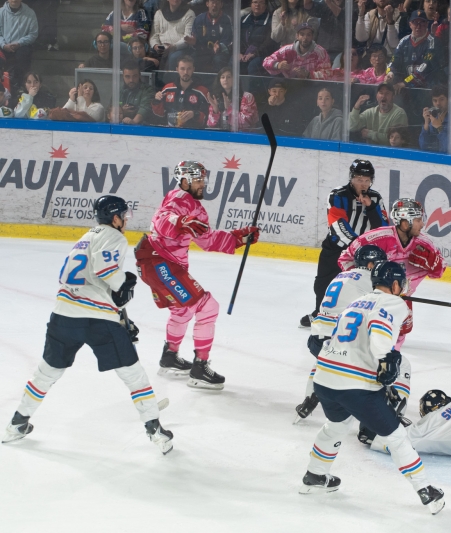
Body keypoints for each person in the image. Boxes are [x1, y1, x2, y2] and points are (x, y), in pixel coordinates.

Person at [2, 196, 174, 455]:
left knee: (46, 373)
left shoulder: (84, 238)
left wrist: (118, 304)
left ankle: (17, 423)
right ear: (114, 217)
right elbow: (106, 272)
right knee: (133, 375)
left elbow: (72, 276)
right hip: (98, 320)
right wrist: (124, 284)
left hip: (63, 316)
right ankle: (156, 431)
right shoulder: (114, 237)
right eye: (123, 215)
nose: (126, 220)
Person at [300, 261, 445, 515]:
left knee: (336, 426)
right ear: (396, 284)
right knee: (396, 437)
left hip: (323, 379)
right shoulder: (394, 303)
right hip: (354, 385)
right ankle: (426, 492)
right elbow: (380, 329)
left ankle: (315, 475)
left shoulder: (357, 301)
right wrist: (386, 357)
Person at [134, 161, 260, 390]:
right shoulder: (178, 198)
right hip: (160, 263)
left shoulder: (197, 209)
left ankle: (170, 356)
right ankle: (200, 367)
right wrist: (181, 223)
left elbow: (208, 240)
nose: (203, 185)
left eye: (203, 180)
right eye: (198, 180)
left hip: (159, 265)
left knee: (182, 310)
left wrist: (240, 238)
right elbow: (162, 220)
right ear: (184, 180)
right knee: (207, 307)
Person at [295, 245, 396, 421]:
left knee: (324, 359)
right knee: (377, 365)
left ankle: (309, 399)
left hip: (316, 339)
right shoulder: (370, 280)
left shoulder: (342, 275)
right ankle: (379, 412)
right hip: (340, 341)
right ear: (371, 264)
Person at [338, 198, 446, 349]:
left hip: (401, 300)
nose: (422, 224)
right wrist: (363, 285)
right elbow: (345, 259)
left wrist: (433, 264)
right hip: (371, 300)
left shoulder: (424, 244)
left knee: (396, 341)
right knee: (364, 340)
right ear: (404, 222)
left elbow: (439, 272)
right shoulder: (376, 238)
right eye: (418, 220)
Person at [299, 159, 390, 327]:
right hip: (336, 248)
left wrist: (370, 207)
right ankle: (320, 314)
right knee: (323, 283)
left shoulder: (376, 198)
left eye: (367, 180)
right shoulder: (338, 195)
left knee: (360, 287)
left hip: (364, 254)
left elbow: (383, 228)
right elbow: (337, 225)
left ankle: (357, 320)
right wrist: (358, 246)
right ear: (351, 178)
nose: (363, 184)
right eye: (359, 179)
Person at [385, 10, 441, 91]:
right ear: (410, 24)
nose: (418, 26)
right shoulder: (403, 41)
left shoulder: (433, 42)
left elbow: (425, 67)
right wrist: (390, 73)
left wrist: (405, 82)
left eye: (422, 22)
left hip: (427, 90)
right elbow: (393, 61)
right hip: (406, 90)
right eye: (415, 22)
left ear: (426, 24)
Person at [151, 55, 209, 129]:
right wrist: (156, 101)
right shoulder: (168, 88)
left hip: (194, 134)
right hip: (170, 132)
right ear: (177, 69)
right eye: (182, 68)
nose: (186, 72)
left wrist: (194, 114)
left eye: (189, 69)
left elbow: (208, 119)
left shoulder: (202, 91)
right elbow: (159, 115)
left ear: (193, 69)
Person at [263, 22, 331, 79]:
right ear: (297, 36)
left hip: (313, 86)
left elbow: (328, 74)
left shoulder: (320, 52)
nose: (305, 38)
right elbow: (266, 61)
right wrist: (277, 65)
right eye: (302, 34)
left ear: (312, 37)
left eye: (308, 35)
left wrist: (309, 74)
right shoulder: (287, 50)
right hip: (289, 85)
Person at [418, 84, 451, 155]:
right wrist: (426, 124)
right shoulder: (433, 120)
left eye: (441, 99)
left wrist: (440, 128)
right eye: (435, 100)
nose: (438, 103)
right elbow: (424, 146)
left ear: (449, 100)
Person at [0, 0, 38, 92]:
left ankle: (21, 87)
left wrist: (19, 43)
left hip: (21, 47)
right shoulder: (1, 12)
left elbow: (33, 34)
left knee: (23, 54)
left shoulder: (30, 13)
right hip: (3, 46)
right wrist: (3, 45)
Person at [150, 0, 196, 71]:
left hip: (180, 48)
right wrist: (156, 46)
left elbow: (187, 38)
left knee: (173, 57)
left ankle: (171, 80)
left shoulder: (190, 14)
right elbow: (154, 36)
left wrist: (173, 47)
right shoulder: (159, 13)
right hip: (161, 47)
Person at [188, 0, 232, 73]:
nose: (214, 5)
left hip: (219, 52)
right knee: (192, 59)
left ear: (221, 4)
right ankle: (196, 83)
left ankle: (218, 83)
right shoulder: (199, 19)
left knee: (218, 60)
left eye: (217, 2)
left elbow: (229, 39)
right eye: (212, 2)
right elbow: (194, 38)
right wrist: (194, 42)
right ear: (207, 4)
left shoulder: (226, 19)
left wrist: (220, 46)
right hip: (202, 51)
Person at [108, 60, 154, 124]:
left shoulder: (148, 90)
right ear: (123, 77)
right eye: (127, 76)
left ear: (139, 75)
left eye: (134, 76)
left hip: (141, 128)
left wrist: (133, 122)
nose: (131, 80)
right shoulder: (118, 91)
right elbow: (111, 110)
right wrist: (121, 110)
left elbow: (145, 109)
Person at [240, 0, 279, 75]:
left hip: (261, 54)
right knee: (233, 62)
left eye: (261, 2)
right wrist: (238, 53)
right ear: (250, 4)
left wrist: (254, 54)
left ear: (265, 5)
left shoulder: (270, 21)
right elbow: (237, 38)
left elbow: (269, 43)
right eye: (255, 2)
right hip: (244, 53)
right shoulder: (243, 20)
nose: (257, 5)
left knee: (253, 66)